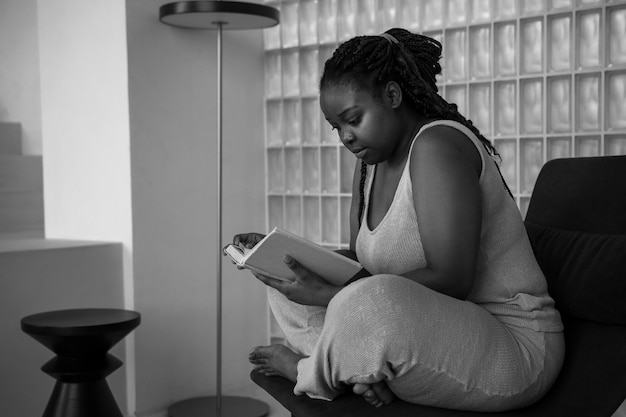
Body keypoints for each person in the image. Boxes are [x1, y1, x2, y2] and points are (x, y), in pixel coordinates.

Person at [233, 28, 564, 412]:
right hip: (427, 335)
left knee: (369, 302)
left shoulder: (438, 145)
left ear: (393, 95)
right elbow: (357, 271)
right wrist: (287, 256)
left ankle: (312, 373)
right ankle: (364, 371)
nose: (345, 137)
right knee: (288, 283)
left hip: (510, 347)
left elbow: (452, 280)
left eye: (353, 119)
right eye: (336, 127)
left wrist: (332, 295)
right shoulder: (369, 165)